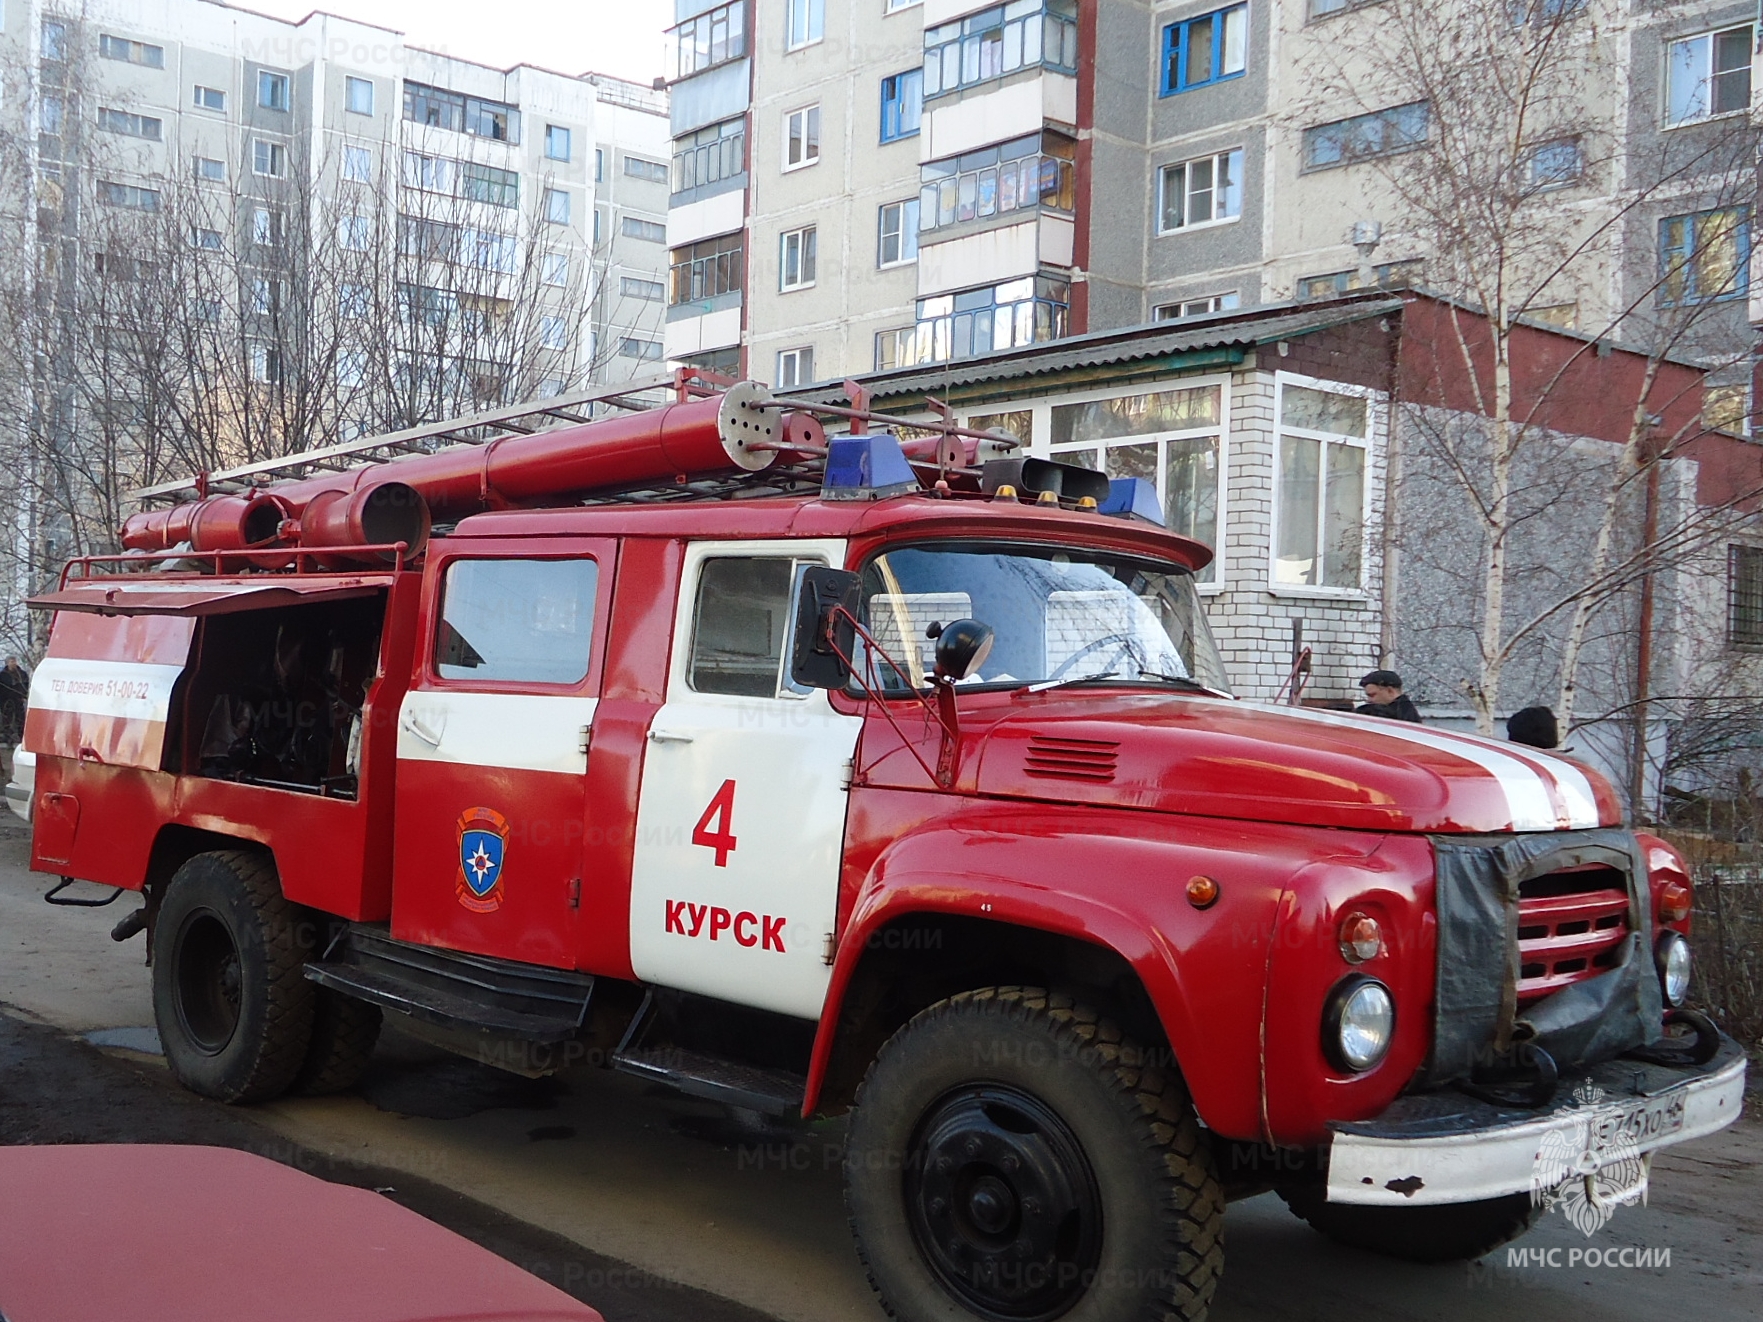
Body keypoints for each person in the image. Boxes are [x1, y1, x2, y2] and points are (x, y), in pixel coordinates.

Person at [1356, 668, 1421, 723]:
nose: (1369, 700)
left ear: (1390, 691)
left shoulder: (1397, 715)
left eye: (1372, 695)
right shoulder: (1406, 711)